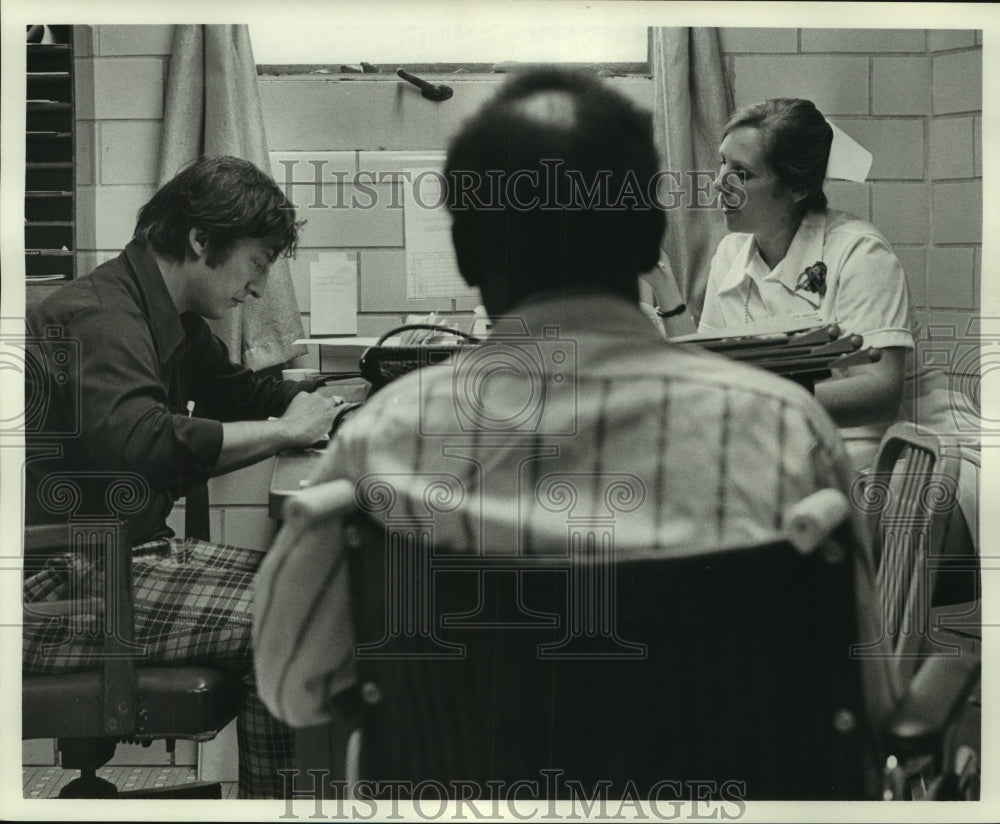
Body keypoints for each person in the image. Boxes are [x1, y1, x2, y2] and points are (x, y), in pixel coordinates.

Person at [253, 68, 878, 729]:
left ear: (468, 255)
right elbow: (855, 690)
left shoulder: (382, 439)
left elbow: (294, 687)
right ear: (647, 241)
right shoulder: (788, 431)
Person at [22, 155, 343, 798]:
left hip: (117, 557)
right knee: (298, 624)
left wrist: (346, 401)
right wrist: (286, 432)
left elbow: (240, 393)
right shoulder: (100, 315)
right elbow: (140, 446)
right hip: (51, 580)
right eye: (257, 262)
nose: (258, 288)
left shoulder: (164, 318)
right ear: (202, 240)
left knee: (318, 590)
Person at [680, 98, 978, 547]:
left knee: (795, 537)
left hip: (912, 452)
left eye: (741, 173)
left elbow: (879, 392)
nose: (719, 184)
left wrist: (768, 400)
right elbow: (712, 372)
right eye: (722, 165)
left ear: (797, 188)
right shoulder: (731, 255)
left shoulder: (858, 251)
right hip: (814, 451)